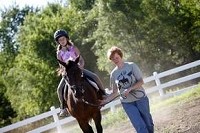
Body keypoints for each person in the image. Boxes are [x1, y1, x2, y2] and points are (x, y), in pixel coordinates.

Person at [100, 46, 154, 133]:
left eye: (116, 57)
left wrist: (130, 89)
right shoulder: (113, 74)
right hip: (127, 103)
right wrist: (105, 101)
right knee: (139, 125)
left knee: (148, 123)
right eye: (113, 59)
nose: (115, 60)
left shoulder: (131, 66)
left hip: (141, 99)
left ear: (121, 56)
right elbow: (114, 92)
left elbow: (141, 81)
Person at [54, 29, 106, 117]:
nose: (62, 41)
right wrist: (64, 73)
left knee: (95, 76)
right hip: (68, 74)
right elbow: (61, 66)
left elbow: (81, 60)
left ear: (66, 38)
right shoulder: (59, 53)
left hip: (78, 70)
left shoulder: (73, 48)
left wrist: (80, 67)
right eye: (60, 40)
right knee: (59, 89)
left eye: (63, 39)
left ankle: (104, 94)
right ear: (58, 42)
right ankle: (63, 107)